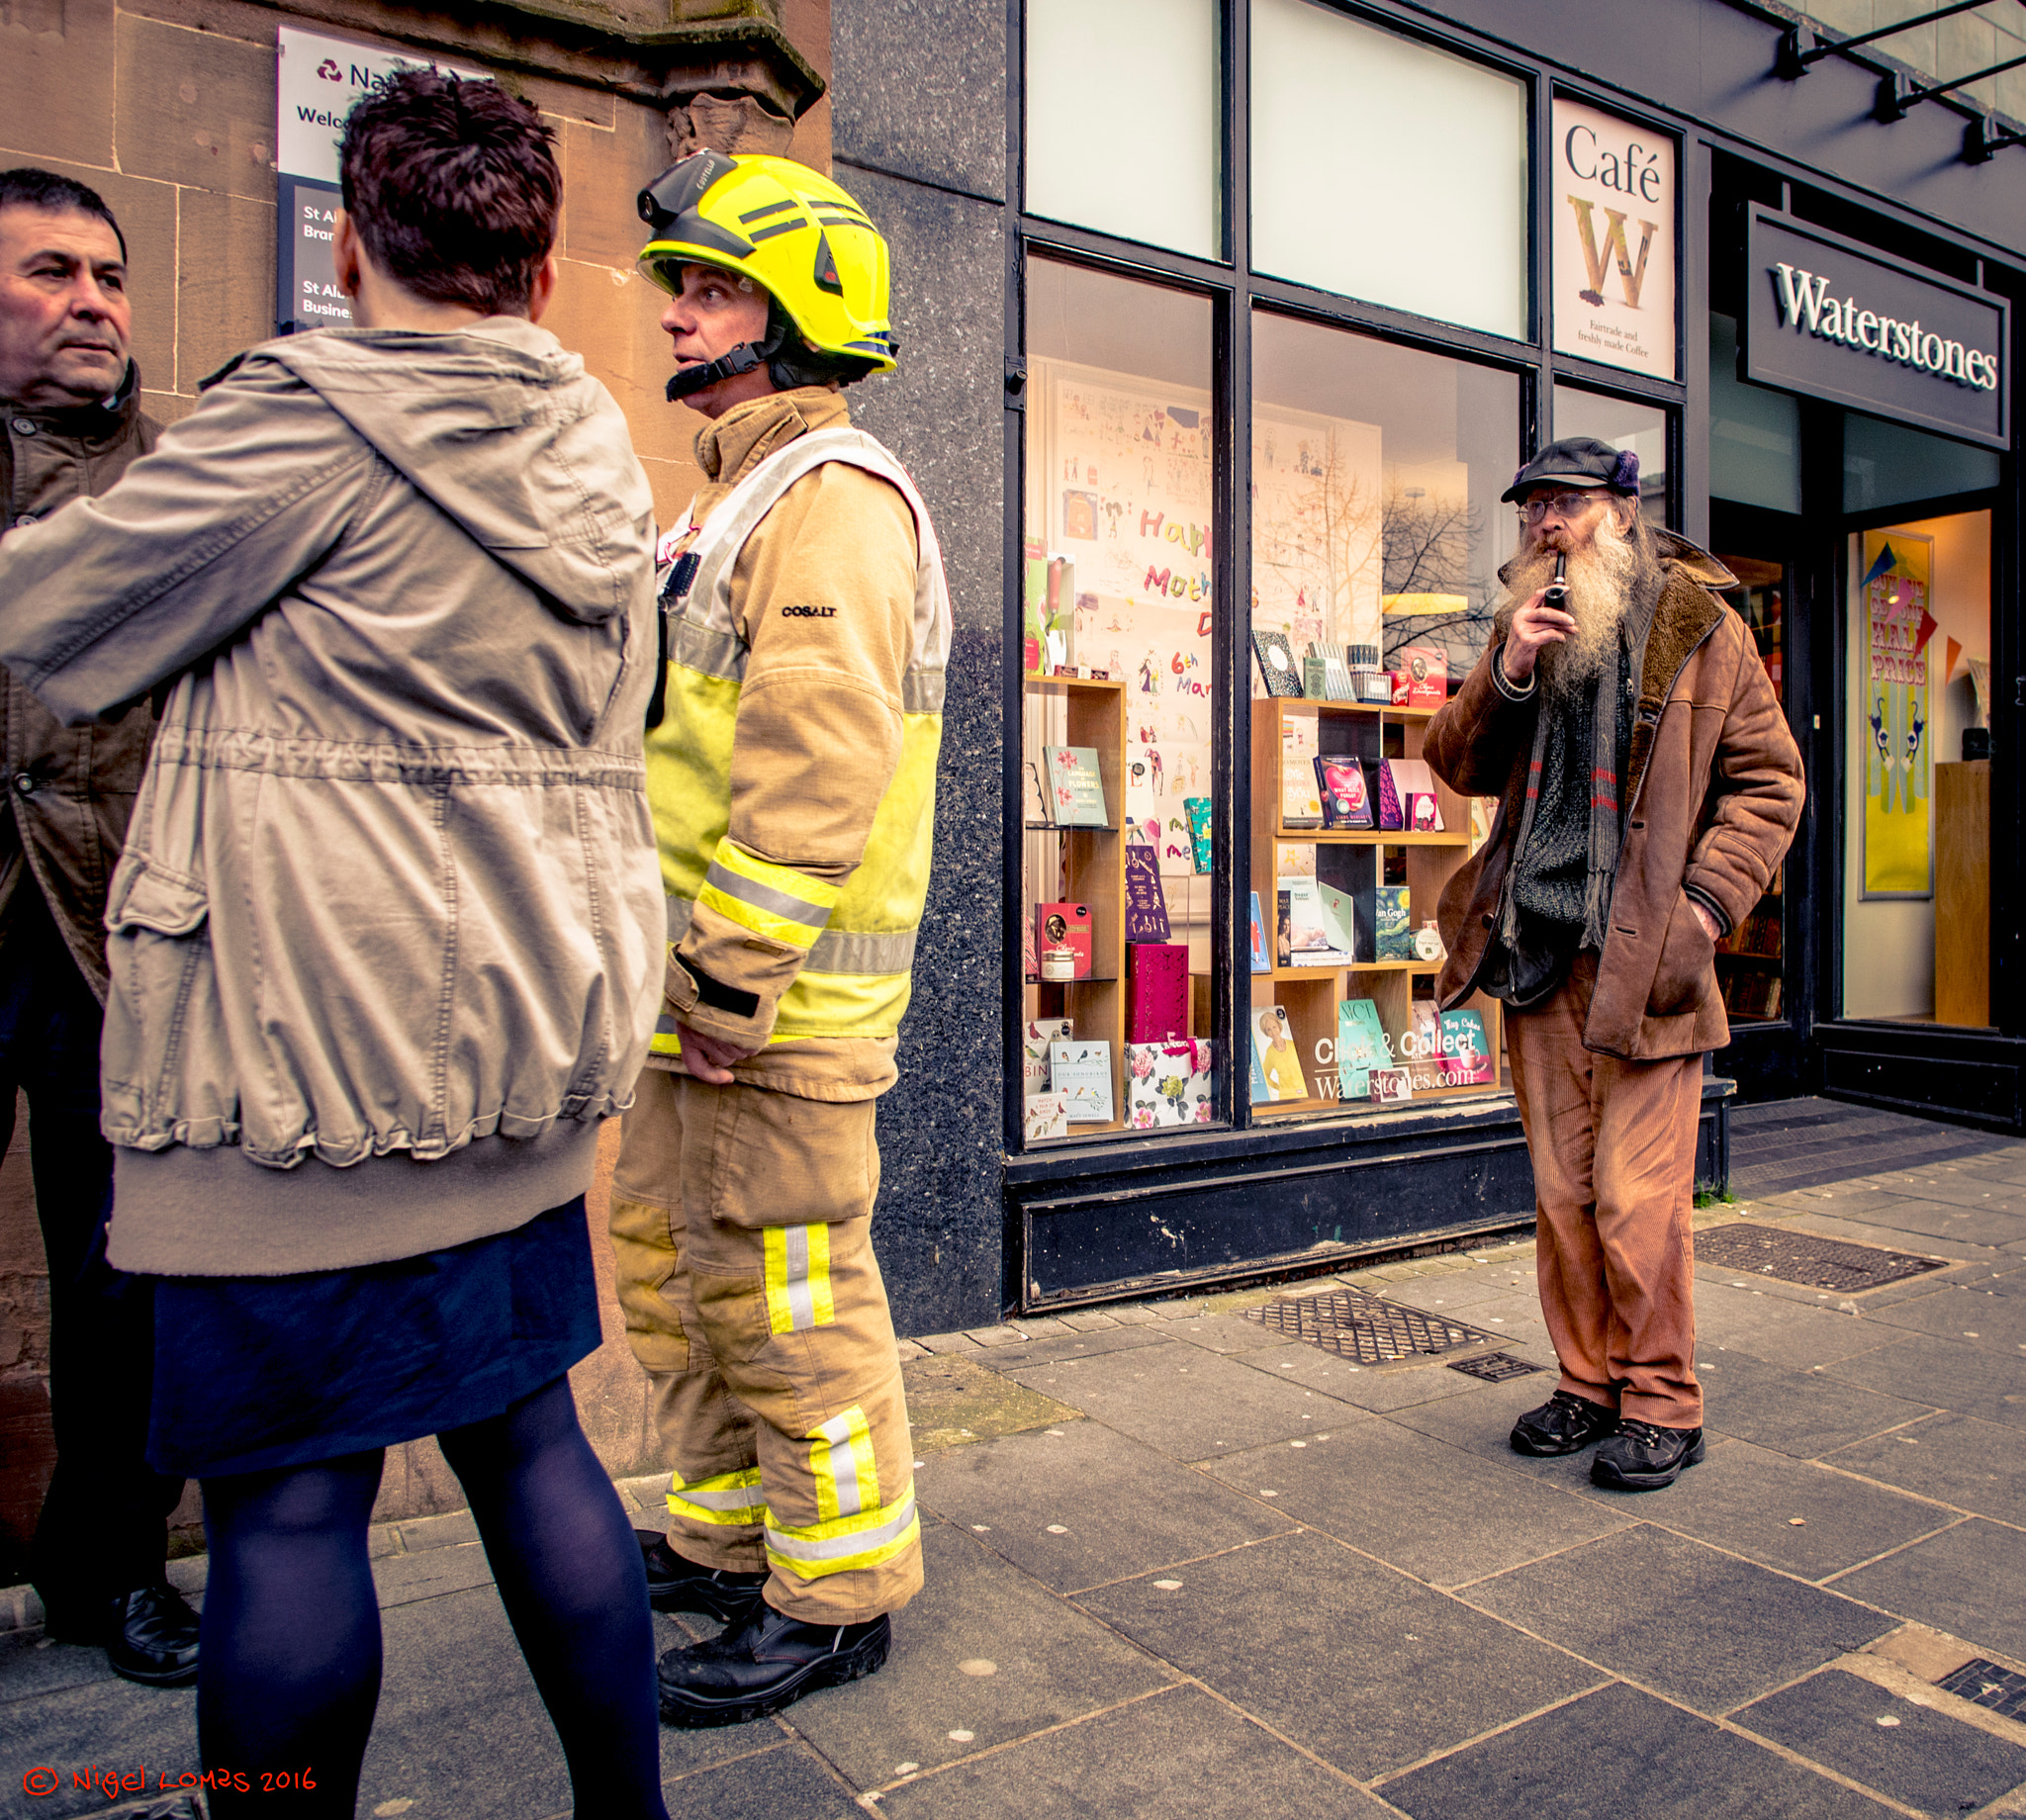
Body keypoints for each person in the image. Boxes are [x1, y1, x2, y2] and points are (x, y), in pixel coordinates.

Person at [0, 74, 669, 1816]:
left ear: (352, 244)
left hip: (305, 1061)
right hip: (517, 1045)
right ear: (537, 279)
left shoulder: (309, 420)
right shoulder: (598, 444)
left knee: (291, 1506)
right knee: (532, 1450)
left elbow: (52, 619)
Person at [609, 148, 951, 1727]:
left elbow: (820, 764)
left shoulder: (831, 502)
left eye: (709, 285)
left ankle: (838, 1594)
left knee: (792, 1299)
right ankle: (734, 1541)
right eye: (680, 282)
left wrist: (734, 974)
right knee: (684, 1281)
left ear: (796, 306)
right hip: (702, 1004)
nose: (675, 310)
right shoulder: (738, 493)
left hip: (776, 1010)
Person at [1425, 437, 1803, 1492]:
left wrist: (1701, 908)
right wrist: (1504, 669)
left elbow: (1769, 783)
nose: (1545, 523)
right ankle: (1586, 1383)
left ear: (1620, 515)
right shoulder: (1522, 633)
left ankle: (1662, 1403)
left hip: (1646, 960)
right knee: (1562, 1197)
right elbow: (1452, 764)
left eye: (1565, 504)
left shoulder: (1699, 629)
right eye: (1531, 507)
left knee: (1637, 1202)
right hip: (1535, 953)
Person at [0, 167, 195, 1685]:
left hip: (105, 932)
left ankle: (110, 1567)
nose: (92, 303)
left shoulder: (177, 481)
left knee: (120, 1275)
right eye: (52, 272)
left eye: (110, 277)